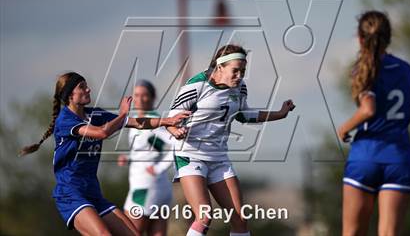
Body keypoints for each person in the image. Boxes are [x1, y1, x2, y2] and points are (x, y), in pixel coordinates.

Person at [19, 72, 189, 235]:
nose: (88, 89)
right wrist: (122, 114)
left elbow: (136, 123)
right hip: (71, 193)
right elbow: (102, 133)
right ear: (70, 95)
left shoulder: (95, 114)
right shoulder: (65, 120)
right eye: (82, 86)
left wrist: (167, 121)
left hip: (93, 192)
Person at [166, 44, 296, 236]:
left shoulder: (240, 87)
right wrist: (175, 129)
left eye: (243, 71)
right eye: (235, 70)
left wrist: (279, 113)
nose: (239, 76)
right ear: (220, 67)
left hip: (219, 157)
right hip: (190, 155)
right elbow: (171, 119)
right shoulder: (197, 85)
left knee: (240, 218)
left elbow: (244, 115)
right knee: (204, 215)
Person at [337, 11, 410, 236]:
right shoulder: (405, 69)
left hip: (366, 156)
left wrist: (345, 128)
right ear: (389, 37)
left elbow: (368, 109)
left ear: (360, 38)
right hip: (399, 160)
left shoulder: (363, 68)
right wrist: (397, 117)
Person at [118, 80, 173, 236]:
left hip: (144, 188)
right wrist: (129, 159)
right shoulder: (138, 121)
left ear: (153, 97)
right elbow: (153, 150)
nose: (140, 99)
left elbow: (177, 146)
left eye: (145, 95)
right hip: (160, 188)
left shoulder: (155, 123)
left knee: (130, 233)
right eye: (136, 95)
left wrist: (158, 168)